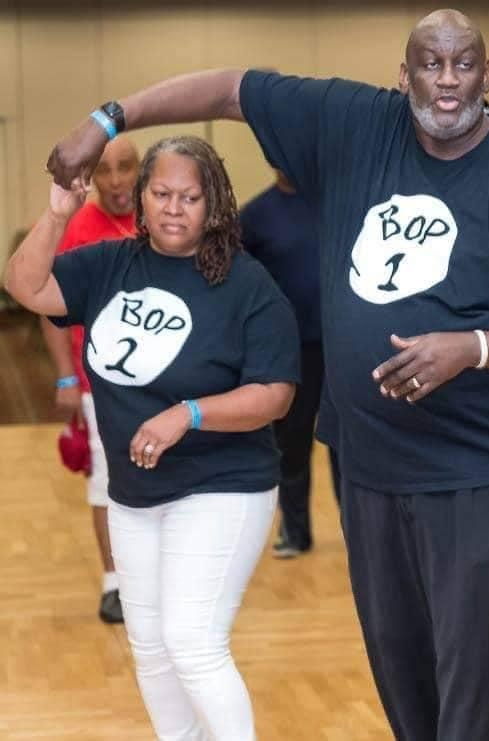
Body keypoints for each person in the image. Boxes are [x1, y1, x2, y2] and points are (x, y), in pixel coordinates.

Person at [45, 9, 489, 740]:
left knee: (469, 698)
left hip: (483, 474)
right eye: (431, 64)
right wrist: (108, 118)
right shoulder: (355, 124)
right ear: (403, 73)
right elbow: (229, 90)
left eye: (464, 64)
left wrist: (473, 346)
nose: (447, 82)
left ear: (487, 75)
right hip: (371, 464)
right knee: (402, 680)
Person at [7, 135, 300, 740]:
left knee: (192, 642)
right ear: (140, 199)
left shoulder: (247, 286)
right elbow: (27, 287)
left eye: (189, 197)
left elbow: (275, 395)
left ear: (213, 203)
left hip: (223, 487)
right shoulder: (111, 263)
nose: (173, 207)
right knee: (152, 649)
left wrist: (187, 414)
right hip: (136, 494)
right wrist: (59, 214)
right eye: (161, 193)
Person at [40, 134, 140, 624]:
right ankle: (113, 582)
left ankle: (152, 577)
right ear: (92, 175)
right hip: (98, 378)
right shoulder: (79, 228)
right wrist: (64, 378)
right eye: (106, 170)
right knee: (107, 477)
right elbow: (46, 303)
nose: (118, 180)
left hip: (163, 382)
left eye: (127, 167)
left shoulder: (161, 219)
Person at [240, 169, 336, 557]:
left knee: (348, 442)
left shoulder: (333, 202)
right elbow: (241, 282)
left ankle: (360, 529)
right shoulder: (255, 216)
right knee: (291, 443)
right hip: (290, 350)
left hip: (341, 345)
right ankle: (295, 532)